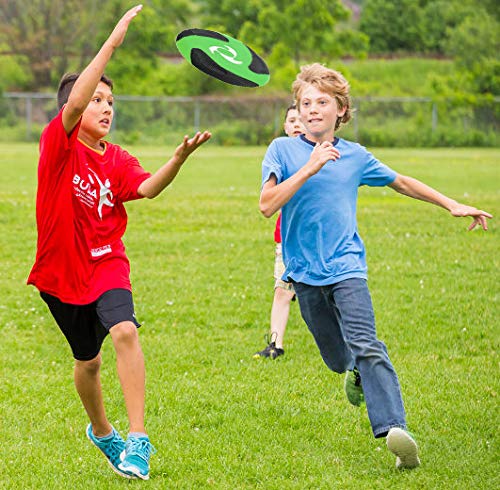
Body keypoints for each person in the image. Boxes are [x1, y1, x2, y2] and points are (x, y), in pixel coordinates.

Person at [259, 63, 492, 469]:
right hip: (303, 273)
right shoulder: (282, 149)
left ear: (341, 110)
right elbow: (267, 205)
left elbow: (401, 181)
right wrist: (311, 166)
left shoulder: (354, 156)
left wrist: (451, 203)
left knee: (368, 344)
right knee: (337, 358)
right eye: (305, 103)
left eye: (322, 102)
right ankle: (356, 372)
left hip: (347, 267)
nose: (313, 109)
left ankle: (395, 431)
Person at [27, 5, 211, 480]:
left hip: (107, 264)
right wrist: (112, 42)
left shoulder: (118, 159)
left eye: (111, 102)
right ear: (76, 108)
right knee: (86, 363)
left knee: (125, 331)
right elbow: (72, 105)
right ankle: (103, 432)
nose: (106, 107)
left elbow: (147, 188)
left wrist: (177, 160)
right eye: (98, 100)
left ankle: (137, 439)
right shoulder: (58, 145)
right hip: (60, 274)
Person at [254, 104, 305, 359]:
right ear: (285, 126)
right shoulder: (280, 156)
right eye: (291, 120)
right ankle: (275, 345)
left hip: (317, 238)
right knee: (282, 290)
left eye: (301, 120)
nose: (296, 124)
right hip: (287, 237)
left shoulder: (318, 154)